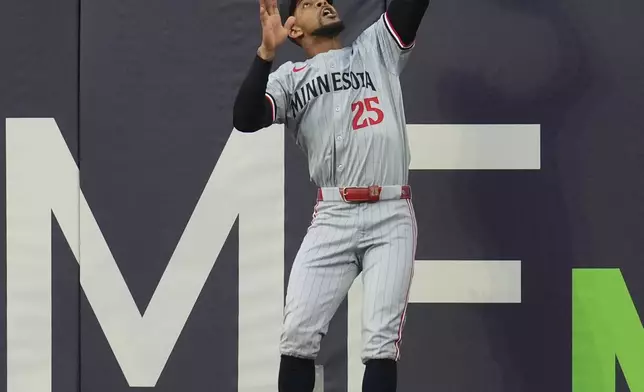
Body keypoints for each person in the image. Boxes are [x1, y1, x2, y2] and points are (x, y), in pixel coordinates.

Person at [232, 0, 429, 390]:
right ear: (294, 30)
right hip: (333, 216)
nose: (324, 2)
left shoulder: (377, 48)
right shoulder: (291, 78)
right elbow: (245, 118)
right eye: (308, 2)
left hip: (389, 213)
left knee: (380, 344)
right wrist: (265, 55)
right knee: (297, 336)